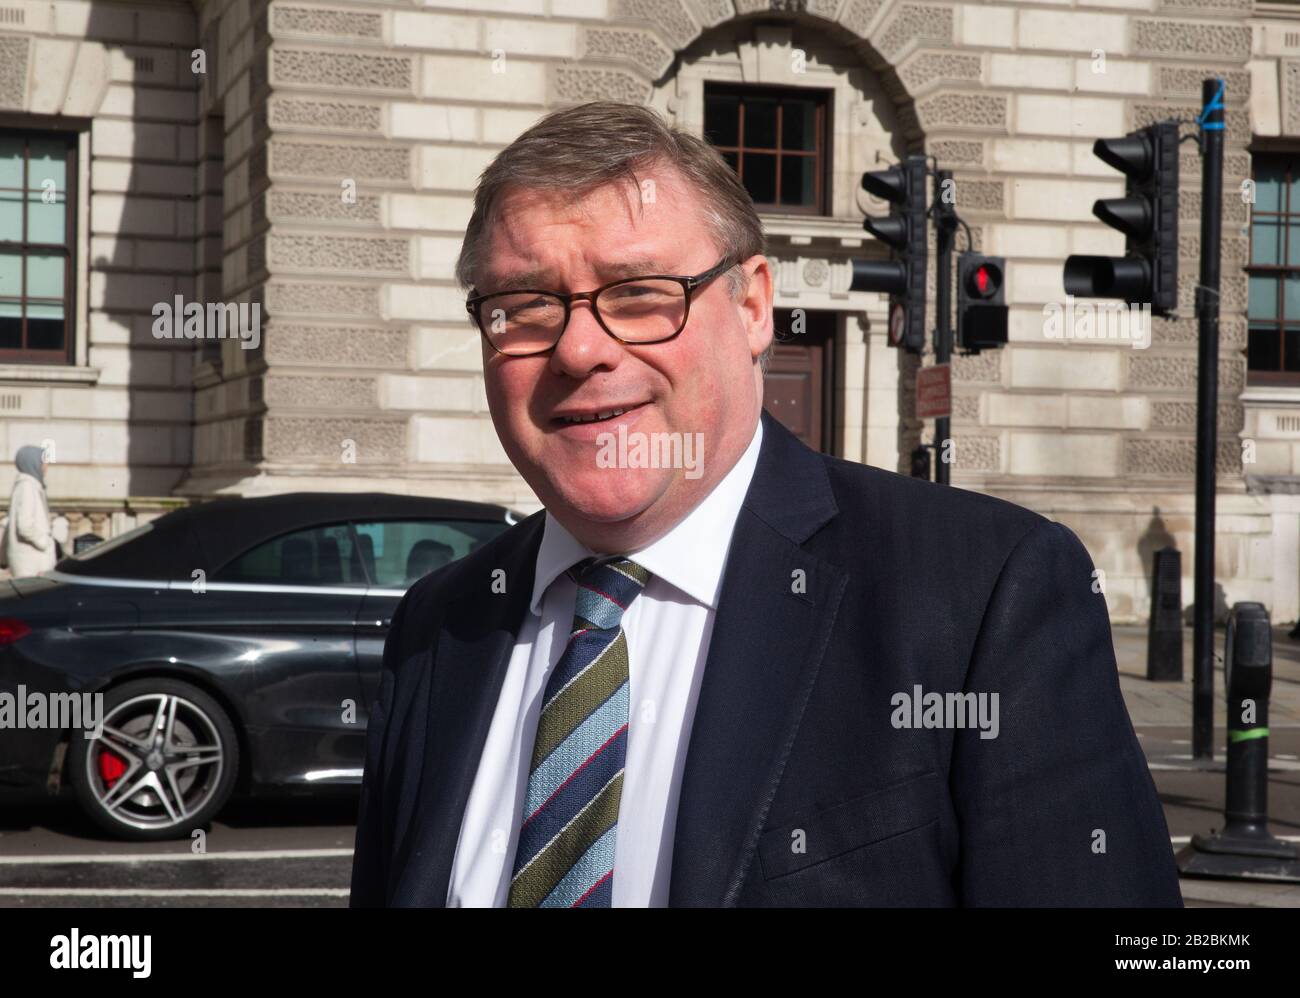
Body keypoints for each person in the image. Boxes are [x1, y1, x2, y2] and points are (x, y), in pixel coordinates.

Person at [350, 101, 1182, 908]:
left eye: (639, 293)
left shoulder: (982, 597)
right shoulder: (438, 628)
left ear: (751, 307)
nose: (578, 349)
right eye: (525, 307)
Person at [3, 445, 57, 579]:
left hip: (29, 560)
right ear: (32, 462)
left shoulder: (29, 485)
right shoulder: (27, 487)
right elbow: (25, 525)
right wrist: (45, 542)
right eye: (43, 462)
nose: (46, 466)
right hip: (31, 563)